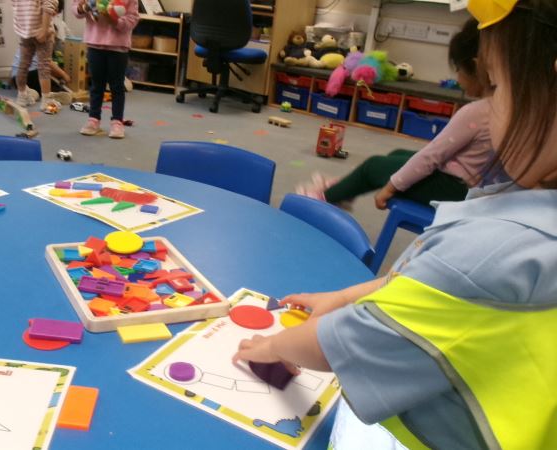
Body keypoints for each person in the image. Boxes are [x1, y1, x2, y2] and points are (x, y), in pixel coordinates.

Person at [234, 1, 557, 448]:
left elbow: (345, 343)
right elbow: (426, 285)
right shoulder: (530, 216)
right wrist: (345, 296)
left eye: (497, 85)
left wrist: (273, 347)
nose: (488, 102)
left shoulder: (492, 250)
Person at [297, 19, 493, 210]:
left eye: (458, 69)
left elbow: (431, 157)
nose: (458, 78)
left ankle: (325, 198)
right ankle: (345, 191)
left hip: (457, 190)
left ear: (476, 67)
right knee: (397, 155)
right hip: (472, 186)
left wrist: (391, 187)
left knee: (373, 167)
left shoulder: (475, 113)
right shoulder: (499, 107)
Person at [73, 0, 139, 139]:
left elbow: (132, 20)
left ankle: (117, 122)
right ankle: (93, 119)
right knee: (96, 85)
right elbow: (76, 9)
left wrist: (114, 21)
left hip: (118, 46)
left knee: (117, 86)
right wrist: (81, 8)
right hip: (95, 44)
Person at [12, 0, 62, 112]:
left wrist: (24, 29)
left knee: (23, 64)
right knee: (44, 66)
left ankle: (22, 96)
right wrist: (44, 29)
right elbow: (49, 5)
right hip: (41, 31)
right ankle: (46, 100)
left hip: (26, 32)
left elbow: (17, 8)